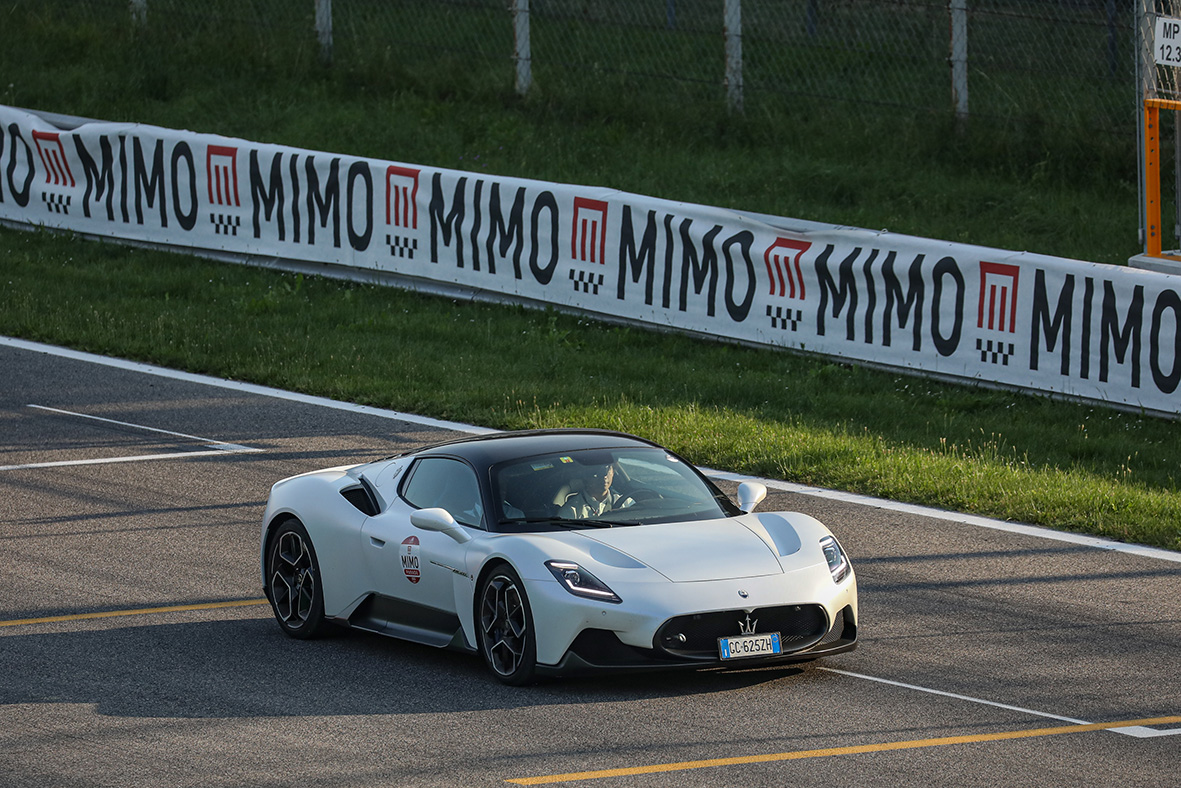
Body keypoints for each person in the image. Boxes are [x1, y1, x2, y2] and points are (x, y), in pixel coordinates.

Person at [558, 462, 634, 519]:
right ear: (585, 476)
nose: (604, 476)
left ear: (613, 472)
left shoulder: (626, 503)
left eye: (607, 469)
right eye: (597, 471)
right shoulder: (571, 510)